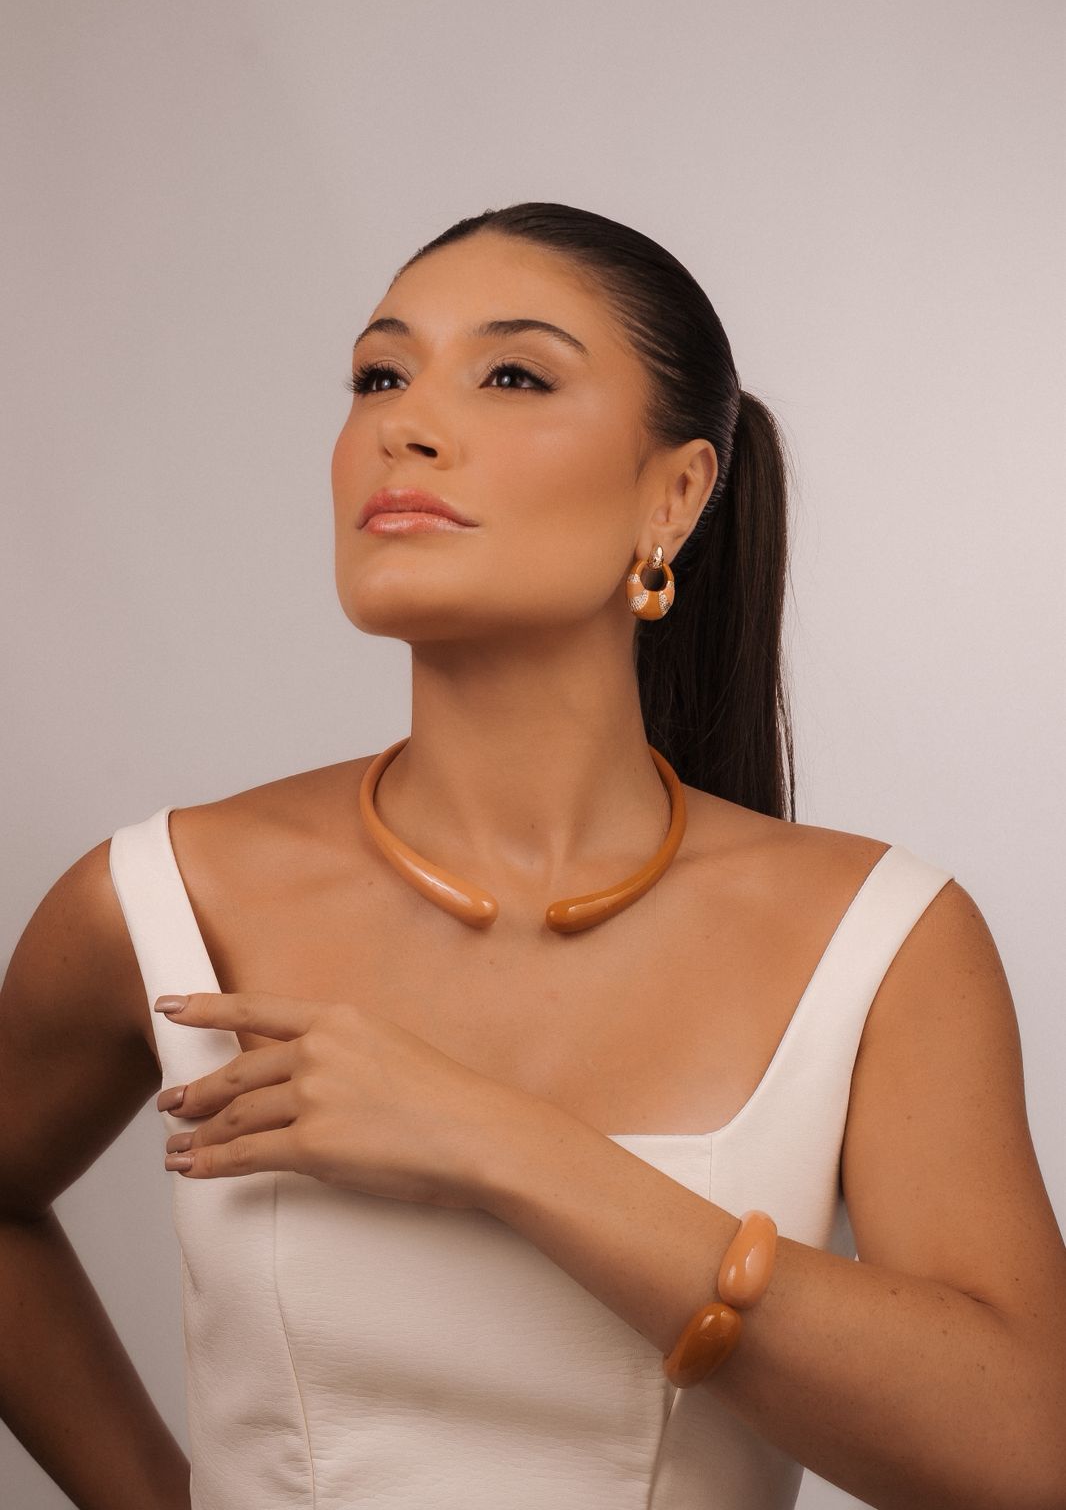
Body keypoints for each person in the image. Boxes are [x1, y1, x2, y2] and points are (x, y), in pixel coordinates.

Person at [2, 201, 1064, 1510]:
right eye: (378, 375)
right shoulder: (158, 901)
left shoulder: (887, 942)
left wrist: (494, 1142)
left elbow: (1025, 1455)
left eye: (511, 375)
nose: (404, 423)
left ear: (674, 494)